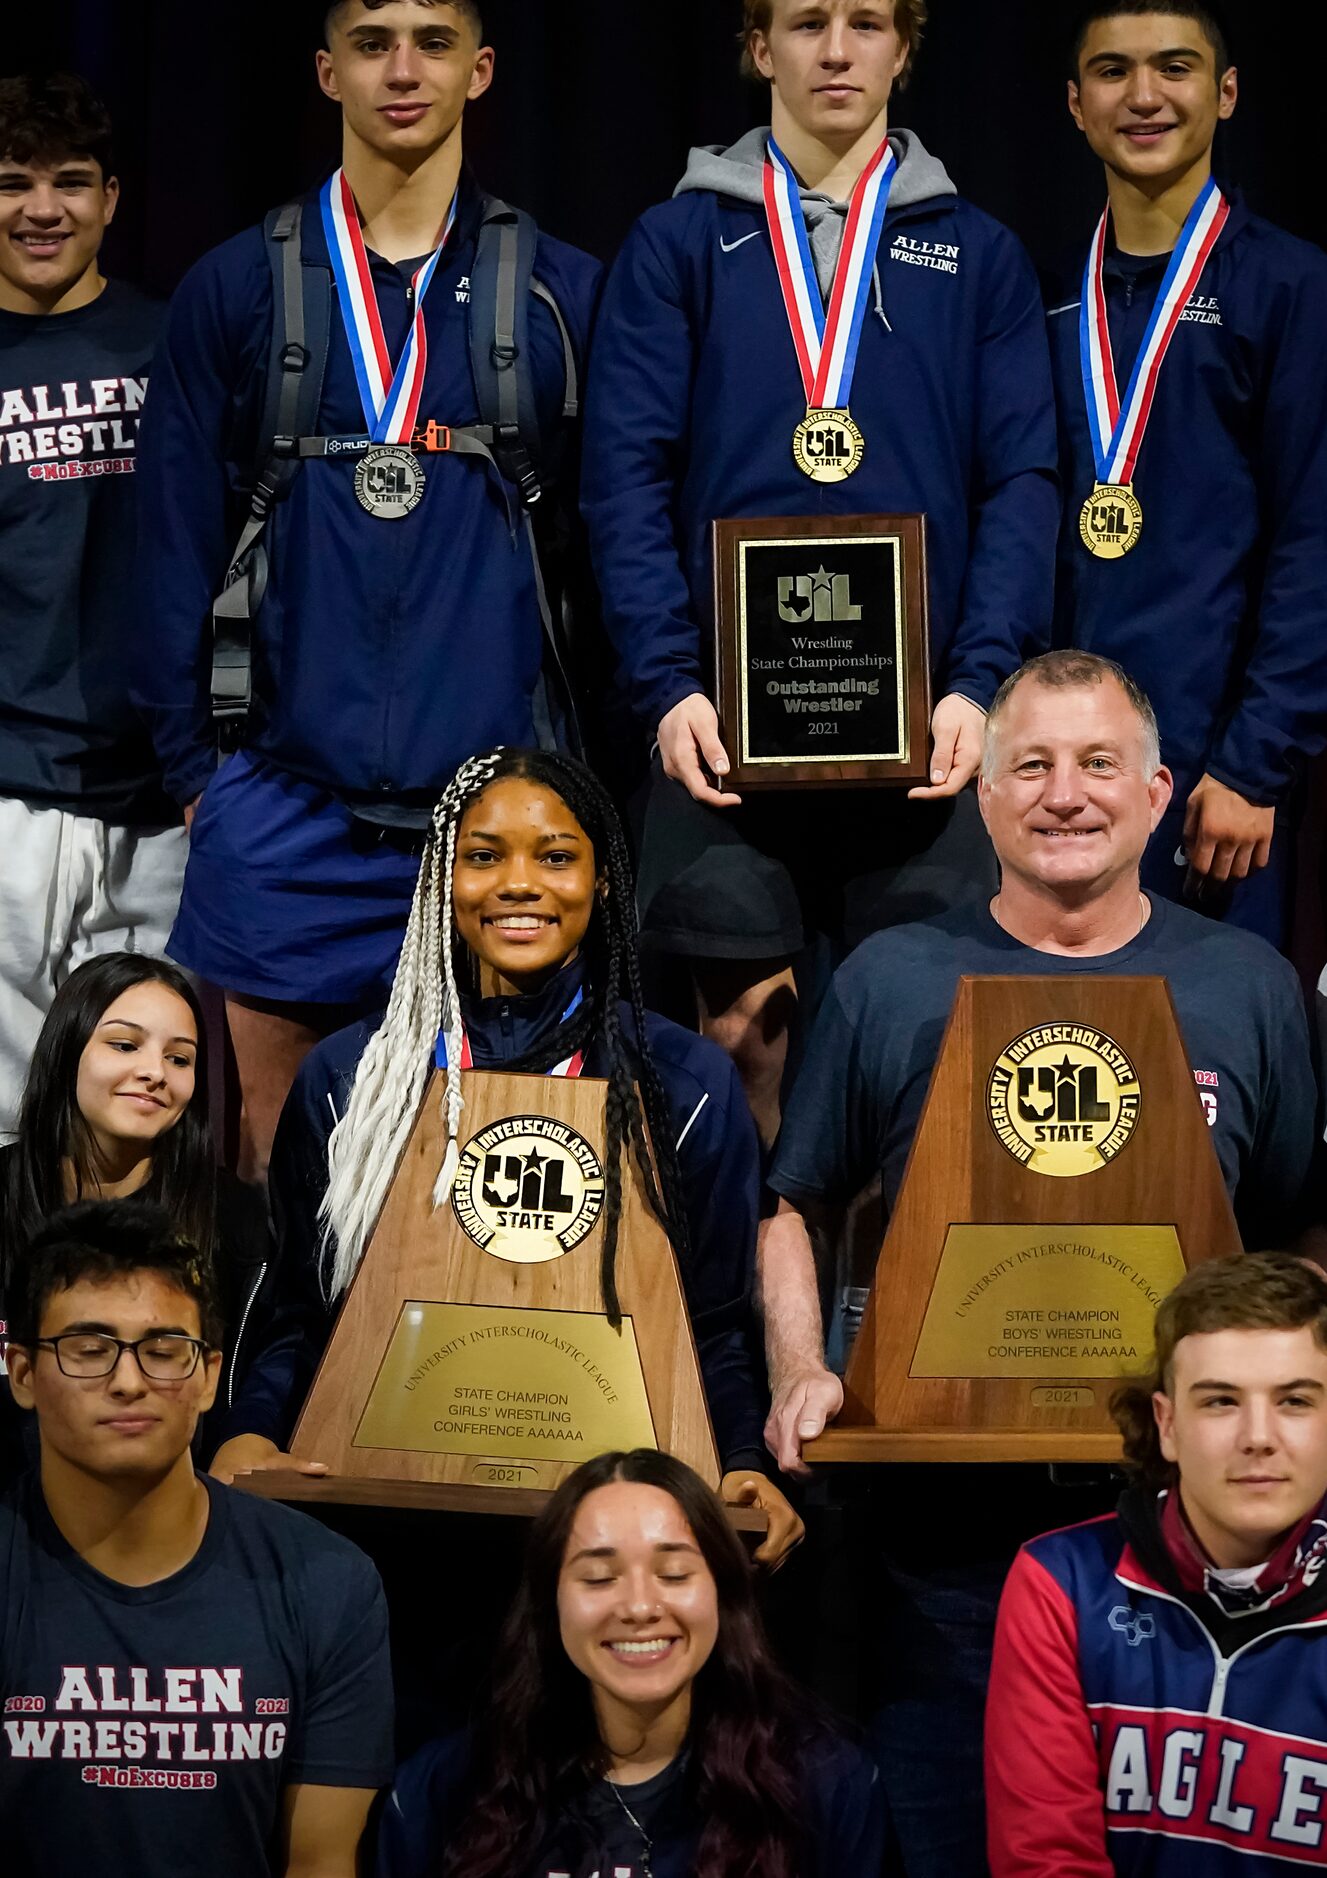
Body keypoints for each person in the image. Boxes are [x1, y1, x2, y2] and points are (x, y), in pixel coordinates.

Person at [760, 649, 1319, 1874]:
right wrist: (801, 1365)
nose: (1065, 793)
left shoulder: (1248, 984)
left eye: (1098, 764)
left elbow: (1290, 1236)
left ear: (1160, 790)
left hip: (1195, 1545)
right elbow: (788, 1202)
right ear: (987, 796)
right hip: (943, 1548)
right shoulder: (892, 976)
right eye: (1033, 766)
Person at [134, 0, 600, 1181]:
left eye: (434, 43)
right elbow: (166, 548)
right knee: (269, 1193)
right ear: (326, 71)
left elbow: (616, 552)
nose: (404, 70)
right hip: (287, 817)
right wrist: (202, 779)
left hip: (498, 837)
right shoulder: (234, 289)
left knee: (496, 1200)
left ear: (482, 69)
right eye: (374, 43)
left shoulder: (562, 292)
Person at [582, 0, 1058, 1146]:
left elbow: (1025, 484)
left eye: (864, 22)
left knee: (926, 1071)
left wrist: (978, 686)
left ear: (906, 46)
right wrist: (668, 687)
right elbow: (624, 480)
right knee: (735, 1054)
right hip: (723, 747)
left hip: (926, 743)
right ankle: (747, 1326)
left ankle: (882, 1323)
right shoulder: (679, 243)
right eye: (804, 23)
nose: (835, 50)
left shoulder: (977, 251)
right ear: (756, 49)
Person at [252, 746, 803, 1565]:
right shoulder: (352, 1079)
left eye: (555, 856)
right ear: (444, 879)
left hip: (611, 1538)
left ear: (604, 879)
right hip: (383, 1519)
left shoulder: (682, 1087)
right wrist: (247, 1433)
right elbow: (295, 1304)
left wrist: (741, 1462)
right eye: (482, 856)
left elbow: (714, 1325)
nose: (518, 882)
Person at [0, 1199, 394, 1875]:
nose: (129, 1382)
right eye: (89, 1351)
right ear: (23, 1374)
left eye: (163, 1352)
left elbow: (320, 1864)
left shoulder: (326, 1583)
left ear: (210, 1376)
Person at [1047, 2, 1327, 944]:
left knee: (1210, 1074)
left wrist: (1254, 764)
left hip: (1217, 786)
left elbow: (1314, 541)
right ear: (1076, 103)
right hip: (1050, 782)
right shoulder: (1041, 294)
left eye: (1174, 67)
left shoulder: (1290, 288)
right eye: (1113, 71)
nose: (1144, 96)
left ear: (1226, 92)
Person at [376, 1447, 884, 1877]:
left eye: (675, 1573)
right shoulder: (446, 1788)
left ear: (722, 1596)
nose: (640, 1607)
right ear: (550, 1605)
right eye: (599, 1578)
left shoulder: (826, 1786)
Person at [987, 1251, 1327, 1875]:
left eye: (1296, 1401)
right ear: (1167, 1425)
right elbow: (1046, 1861)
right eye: (1221, 1401)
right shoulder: (1062, 1584)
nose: (1258, 1435)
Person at [0, 72, 184, 1143]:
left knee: (135, 1118)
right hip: (10, 791)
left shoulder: (174, 344)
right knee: (12, 1118)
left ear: (111, 199)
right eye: (14, 183)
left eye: (72, 182)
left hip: (155, 798)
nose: (43, 208)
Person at [0, 954, 300, 1482]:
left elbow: (273, 1347)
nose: (154, 1073)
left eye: (180, 1059)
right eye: (124, 1045)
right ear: (67, 1050)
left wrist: (247, 1434)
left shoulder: (233, 1217)